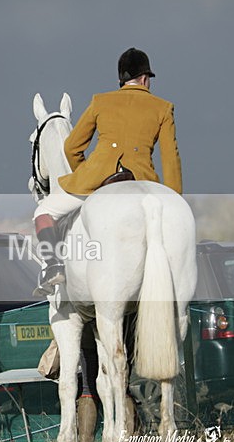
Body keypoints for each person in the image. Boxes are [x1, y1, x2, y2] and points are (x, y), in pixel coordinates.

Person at [32, 47, 183, 296]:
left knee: (44, 211)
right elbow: (171, 160)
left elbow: (71, 147)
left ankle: (53, 265)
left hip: (96, 180)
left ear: (121, 80)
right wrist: (174, 200)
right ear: (145, 79)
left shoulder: (100, 101)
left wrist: (86, 175)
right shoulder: (163, 108)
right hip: (142, 183)